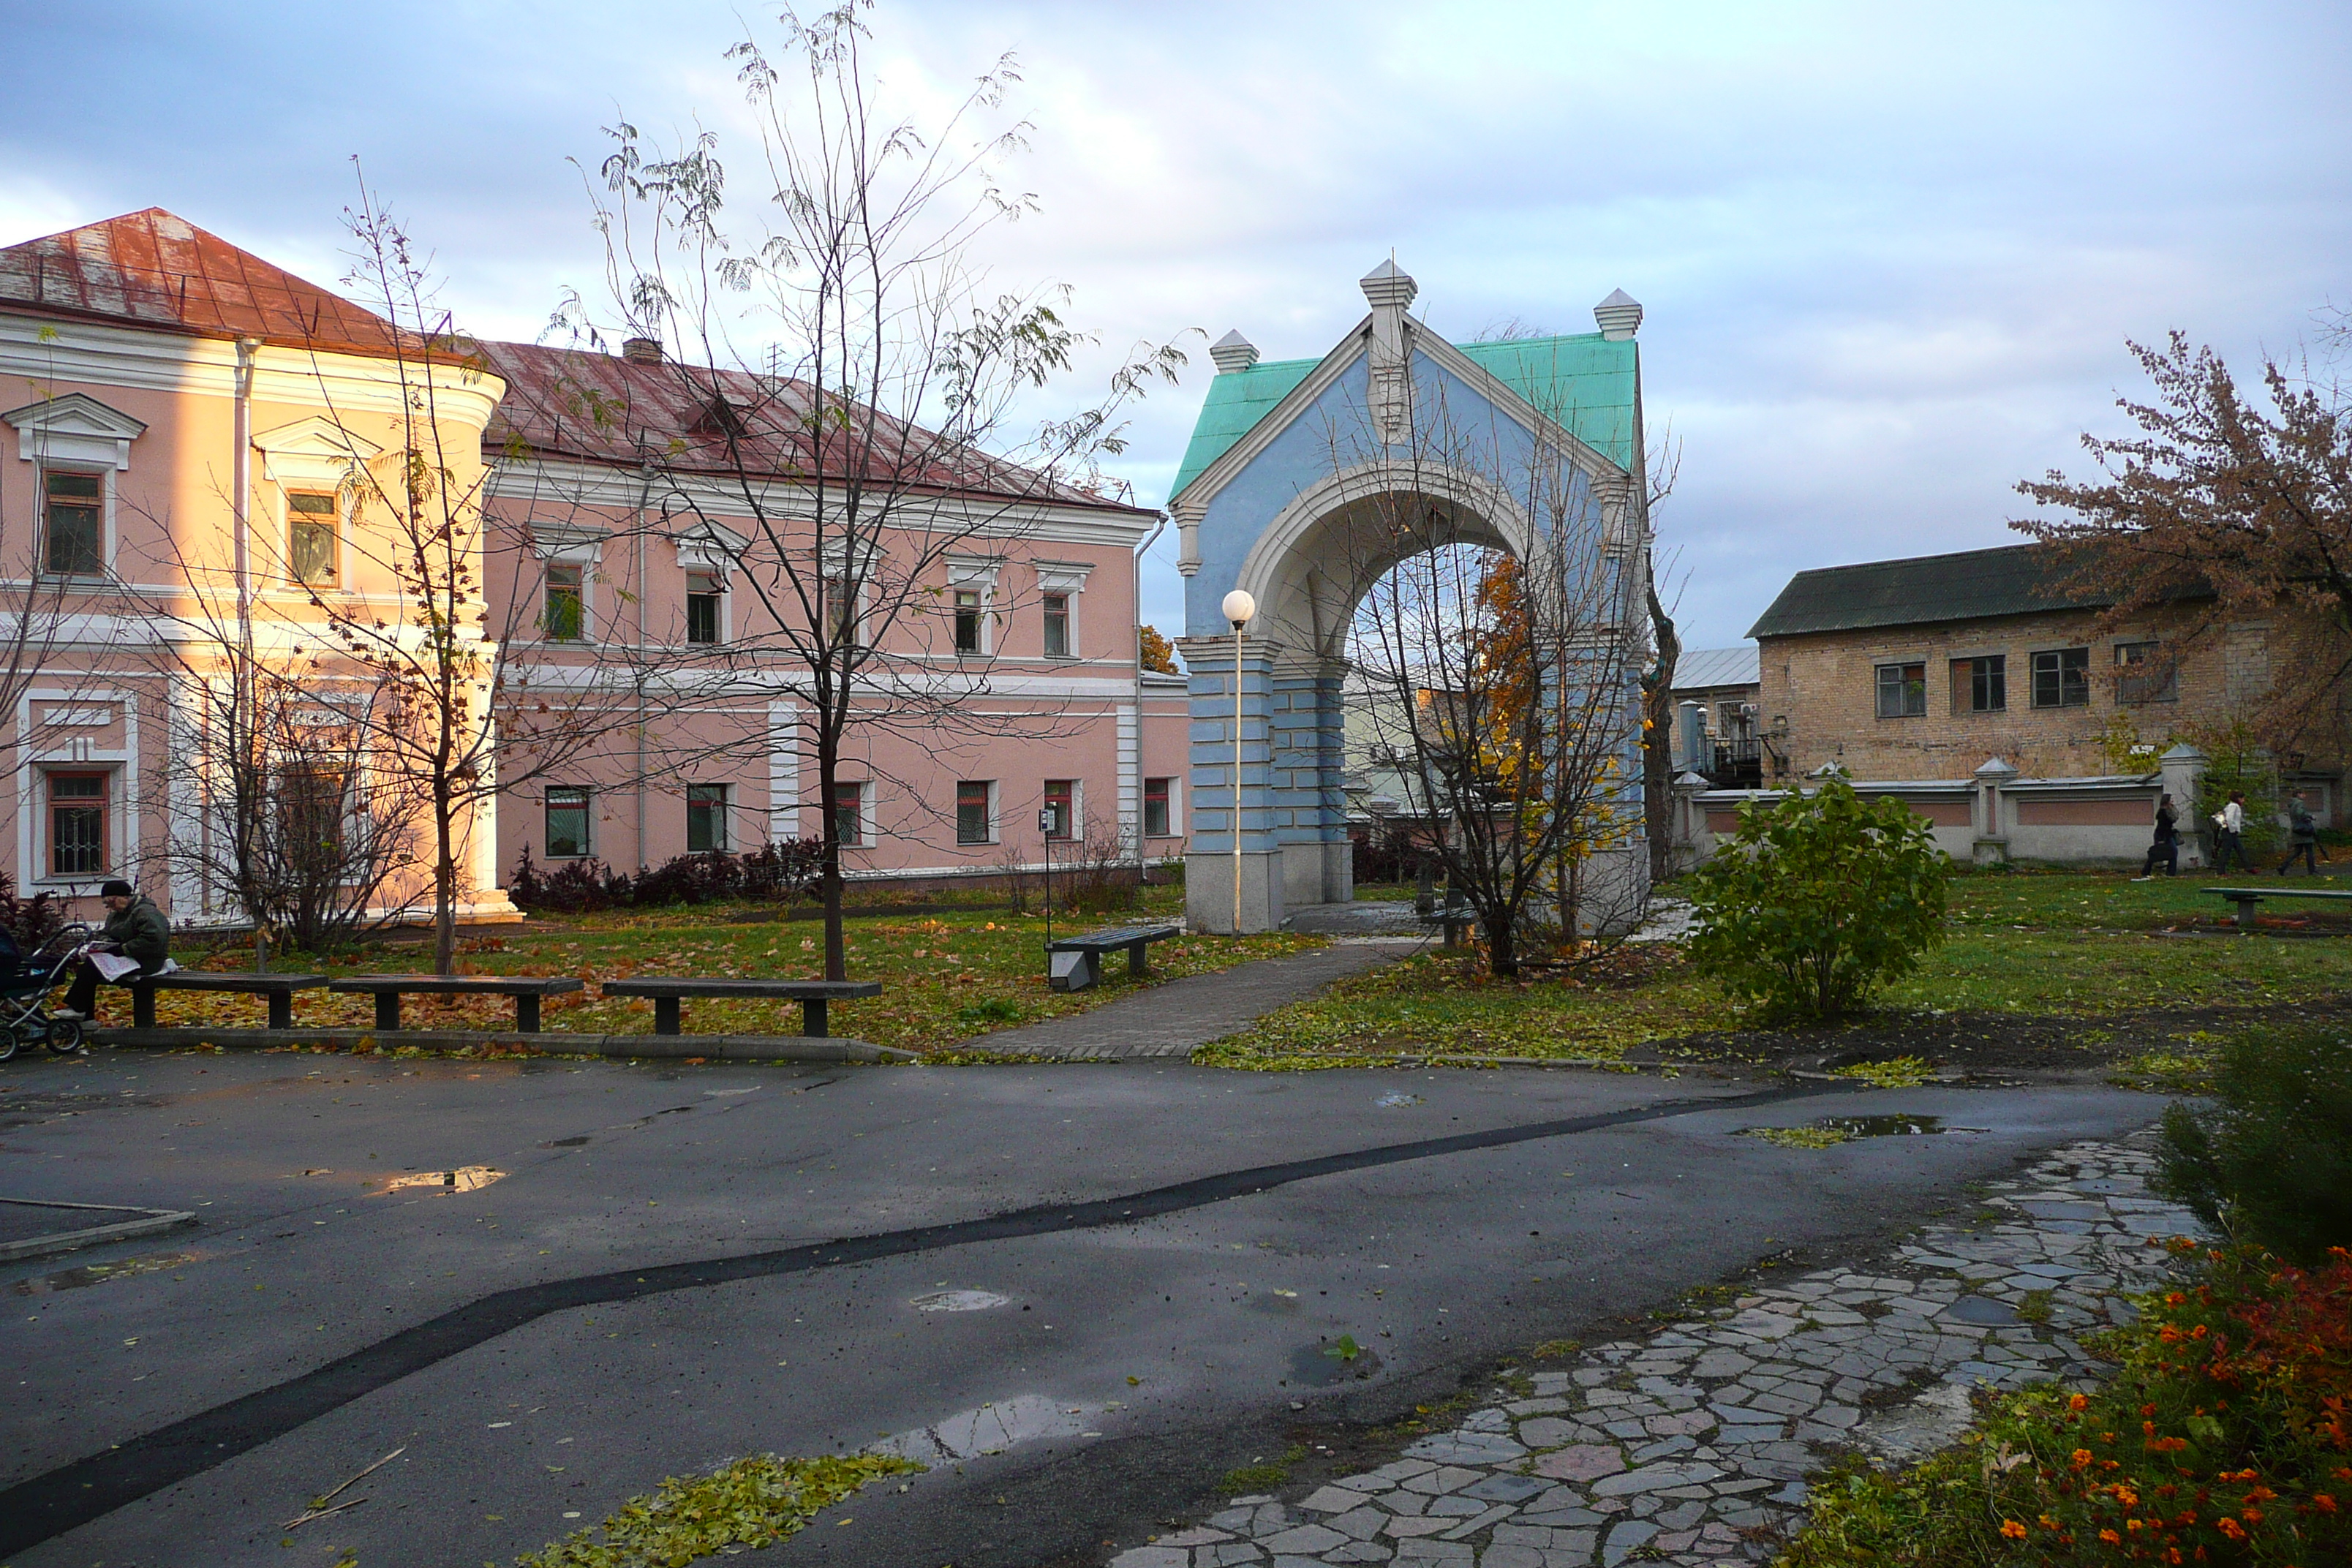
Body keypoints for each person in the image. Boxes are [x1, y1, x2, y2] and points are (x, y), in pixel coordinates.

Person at [54, 880, 170, 1023]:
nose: (110, 907)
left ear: (124, 897)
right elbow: (105, 933)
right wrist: (105, 944)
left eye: (112, 902)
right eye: (107, 904)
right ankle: (83, 1013)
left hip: (147, 962)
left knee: (91, 968)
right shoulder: (116, 915)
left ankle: (81, 1011)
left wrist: (123, 949)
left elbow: (154, 939)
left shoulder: (145, 912)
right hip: (127, 959)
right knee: (91, 966)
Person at [2276, 791, 2321, 876]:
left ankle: (2283, 867)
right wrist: (2310, 816)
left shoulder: (2292, 804)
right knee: (2309, 850)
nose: (2305, 796)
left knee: (2298, 851)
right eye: (2303, 794)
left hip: (2296, 829)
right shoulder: (2299, 803)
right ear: (2298, 794)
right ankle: (2312, 871)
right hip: (2304, 829)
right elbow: (2300, 813)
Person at [2138, 794, 2180, 878]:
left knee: (2173, 853)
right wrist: (2162, 839)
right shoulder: (2163, 812)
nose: (2172, 801)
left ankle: (2170, 873)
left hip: (2168, 835)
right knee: (2158, 853)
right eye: (2171, 799)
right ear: (2167, 801)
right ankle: (2147, 871)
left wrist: (2173, 807)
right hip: (2162, 835)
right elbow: (2164, 825)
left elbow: (2175, 817)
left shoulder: (2169, 810)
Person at [2212, 791, 2253, 873]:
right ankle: (2221, 871)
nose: (2243, 800)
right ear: (2238, 799)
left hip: (2231, 832)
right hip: (2230, 832)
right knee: (2226, 852)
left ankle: (2249, 867)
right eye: (2242, 798)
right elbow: (2230, 819)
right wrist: (2233, 829)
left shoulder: (2231, 806)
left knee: (2241, 850)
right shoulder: (2234, 806)